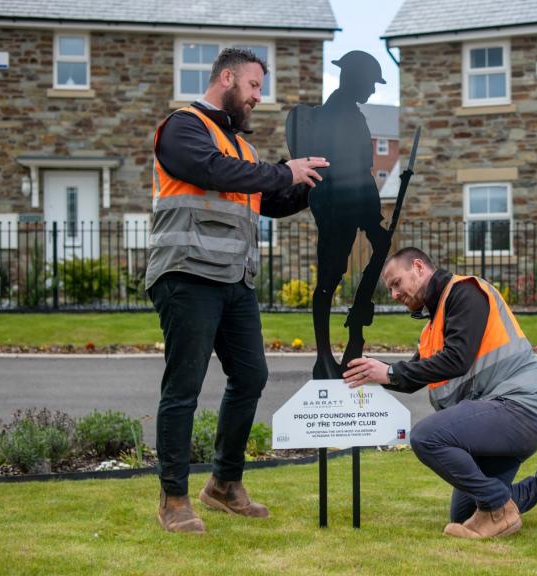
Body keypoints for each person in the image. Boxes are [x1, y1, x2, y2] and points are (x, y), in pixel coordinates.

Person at [146, 47, 328, 534]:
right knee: (183, 387)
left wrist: (311, 184)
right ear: (226, 77)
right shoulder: (183, 127)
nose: (256, 98)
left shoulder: (242, 150)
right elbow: (212, 172)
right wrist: (283, 169)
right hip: (186, 275)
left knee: (250, 376)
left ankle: (224, 485)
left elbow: (268, 196)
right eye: (252, 86)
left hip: (233, 280)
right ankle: (173, 498)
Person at [343, 248, 537, 539]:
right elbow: (411, 377)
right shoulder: (433, 327)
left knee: (426, 437)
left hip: (521, 410)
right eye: (390, 290)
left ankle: (498, 507)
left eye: (397, 283)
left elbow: (457, 359)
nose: (394, 294)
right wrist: (372, 372)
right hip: (499, 419)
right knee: (465, 517)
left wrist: (389, 372)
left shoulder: (465, 292)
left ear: (418, 267)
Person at [285, 50, 392, 379]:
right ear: (354, 77)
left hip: (354, 203)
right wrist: (370, 217)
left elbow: (363, 170)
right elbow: (348, 171)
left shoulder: (352, 114)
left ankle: (357, 326)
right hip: (337, 207)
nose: (373, 90)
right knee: (328, 280)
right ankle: (323, 356)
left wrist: (372, 219)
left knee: (374, 254)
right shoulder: (336, 115)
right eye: (371, 83)